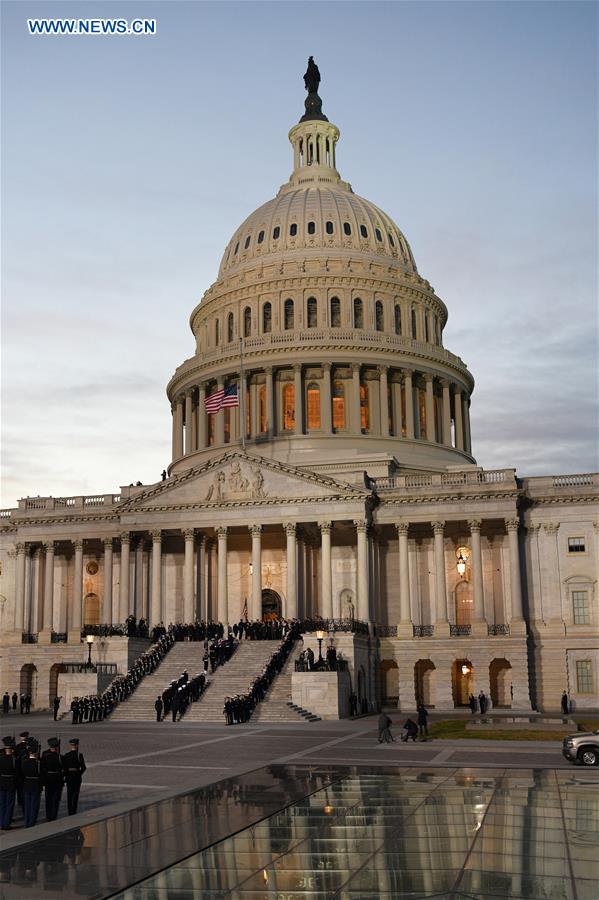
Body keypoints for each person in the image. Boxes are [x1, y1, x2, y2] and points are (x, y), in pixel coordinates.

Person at [41, 737, 64, 821]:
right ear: (57, 747)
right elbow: (63, 769)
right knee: (55, 799)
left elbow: (42, 768)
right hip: (57, 780)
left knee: (48, 799)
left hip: (48, 780)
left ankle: (48, 816)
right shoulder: (60, 757)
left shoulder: (45, 756)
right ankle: (53, 815)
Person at [61, 738, 86, 816]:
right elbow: (84, 767)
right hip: (77, 778)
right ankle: (74, 811)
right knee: (75, 795)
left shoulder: (66, 755)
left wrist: (65, 775)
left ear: (70, 746)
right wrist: (79, 773)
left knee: (69, 795)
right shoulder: (79, 755)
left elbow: (64, 768)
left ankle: (69, 811)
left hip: (69, 777)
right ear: (77, 745)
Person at [21, 740, 43, 828]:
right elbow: (42, 776)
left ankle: (27, 822)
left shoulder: (25, 762)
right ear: (36, 752)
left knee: (27, 805)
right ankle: (32, 822)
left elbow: (22, 774)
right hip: (35, 785)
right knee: (34, 805)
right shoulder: (38, 763)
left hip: (27, 785)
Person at [0, 736, 17, 830]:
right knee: (9, 804)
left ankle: (2, 822)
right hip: (10, 783)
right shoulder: (14, 760)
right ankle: (6, 824)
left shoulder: (1, 758)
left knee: (2, 804)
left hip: (2, 782)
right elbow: (17, 773)